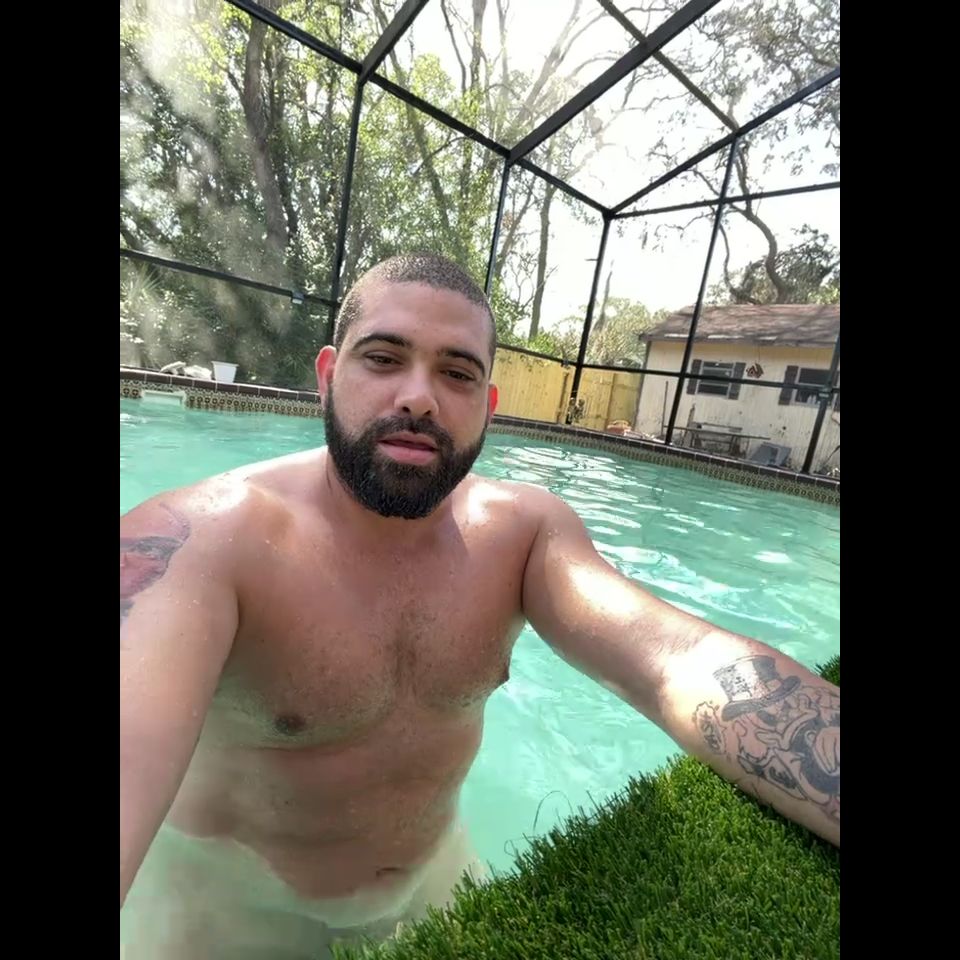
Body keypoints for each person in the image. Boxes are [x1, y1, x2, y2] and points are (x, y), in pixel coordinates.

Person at [120, 253, 840, 959]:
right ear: (328, 376)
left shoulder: (522, 534)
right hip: (230, 909)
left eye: (457, 373)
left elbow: (677, 662)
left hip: (434, 881)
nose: (419, 397)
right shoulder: (201, 542)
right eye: (383, 359)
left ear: (488, 406)